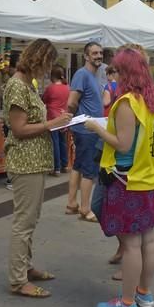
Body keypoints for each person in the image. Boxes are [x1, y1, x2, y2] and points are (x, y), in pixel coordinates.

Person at [85, 47, 154, 307]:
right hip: (150, 177)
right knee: (149, 240)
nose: (114, 74)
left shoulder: (127, 103)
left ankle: (127, 303)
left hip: (127, 179)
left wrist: (97, 128)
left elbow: (121, 144)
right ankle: (144, 293)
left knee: (132, 245)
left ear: (126, 72)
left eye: (118, 70)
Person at [4, 38, 72, 298]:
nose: (48, 69)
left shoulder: (26, 85)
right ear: (39, 60)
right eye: (48, 63)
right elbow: (19, 129)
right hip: (25, 162)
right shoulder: (18, 87)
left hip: (33, 161)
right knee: (24, 222)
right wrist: (50, 125)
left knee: (30, 220)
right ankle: (18, 280)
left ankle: (25, 267)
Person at [67, 41, 104, 222]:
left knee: (79, 166)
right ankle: (85, 209)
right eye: (94, 53)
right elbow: (72, 101)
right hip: (86, 130)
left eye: (100, 53)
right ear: (86, 56)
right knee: (89, 170)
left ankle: (72, 203)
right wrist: (77, 119)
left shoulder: (93, 75)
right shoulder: (82, 74)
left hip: (89, 128)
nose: (98, 56)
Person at [42, 65, 70, 176]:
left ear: (52, 76)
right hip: (64, 117)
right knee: (63, 142)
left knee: (55, 143)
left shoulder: (51, 88)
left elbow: (44, 99)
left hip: (53, 117)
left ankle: (56, 168)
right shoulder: (67, 87)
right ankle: (65, 165)